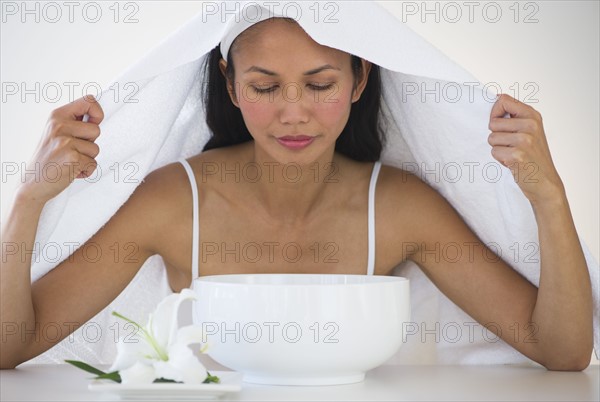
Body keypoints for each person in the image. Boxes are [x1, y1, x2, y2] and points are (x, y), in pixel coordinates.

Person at [0, 16, 593, 371]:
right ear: (231, 88)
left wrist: (547, 193)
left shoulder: (398, 208)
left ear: (360, 79)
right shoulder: (174, 202)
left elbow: (562, 351)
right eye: (263, 86)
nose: (292, 113)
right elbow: (11, 346)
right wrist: (29, 200)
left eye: (319, 84)